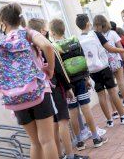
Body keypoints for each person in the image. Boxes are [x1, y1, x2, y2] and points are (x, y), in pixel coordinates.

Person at [0, 3, 58, 159]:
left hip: (16, 97)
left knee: (34, 143)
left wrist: (0, 83)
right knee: (47, 140)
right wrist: (50, 69)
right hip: (38, 90)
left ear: (3, 23)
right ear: (19, 19)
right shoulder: (28, 34)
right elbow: (47, 46)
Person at [28, 18, 88, 159]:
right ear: (42, 30)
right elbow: (59, 69)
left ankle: (60, 155)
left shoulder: (30, 47)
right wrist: (68, 87)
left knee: (53, 125)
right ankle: (70, 155)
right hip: (54, 87)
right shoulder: (46, 45)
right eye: (45, 28)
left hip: (41, 90)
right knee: (62, 121)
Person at [49, 19, 108, 151]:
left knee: (73, 112)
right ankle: (96, 138)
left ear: (52, 32)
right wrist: (86, 77)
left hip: (67, 84)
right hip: (80, 79)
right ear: (64, 29)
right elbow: (83, 59)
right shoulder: (74, 41)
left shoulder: (54, 47)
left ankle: (80, 142)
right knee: (86, 108)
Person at [76, 14, 124, 128]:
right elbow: (109, 48)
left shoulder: (78, 39)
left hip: (92, 70)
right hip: (103, 67)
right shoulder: (96, 34)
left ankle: (109, 120)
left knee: (101, 95)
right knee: (112, 91)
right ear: (88, 23)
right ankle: (123, 116)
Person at [93, 15, 124, 120]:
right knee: (121, 83)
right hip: (116, 61)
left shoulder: (96, 35)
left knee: (110, 89)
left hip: (105, 64)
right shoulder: (113, 33)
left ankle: (114, 111)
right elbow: (120, 47)